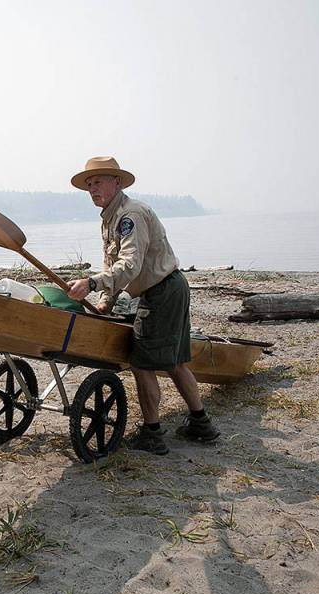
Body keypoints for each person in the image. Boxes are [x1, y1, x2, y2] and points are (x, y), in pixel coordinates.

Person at [66, 156, 218, 455]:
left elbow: (130, 265)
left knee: (141, 362)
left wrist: (92, 283)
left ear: (117, 182)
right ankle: (202, 424)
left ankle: (152, 434)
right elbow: (114, 265)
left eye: (99, 181)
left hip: (161, 292)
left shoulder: (129, 215)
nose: (92, 188)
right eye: (89, 184)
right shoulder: (111, 218)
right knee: (175, 361)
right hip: (169, 288)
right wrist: (105, 303)